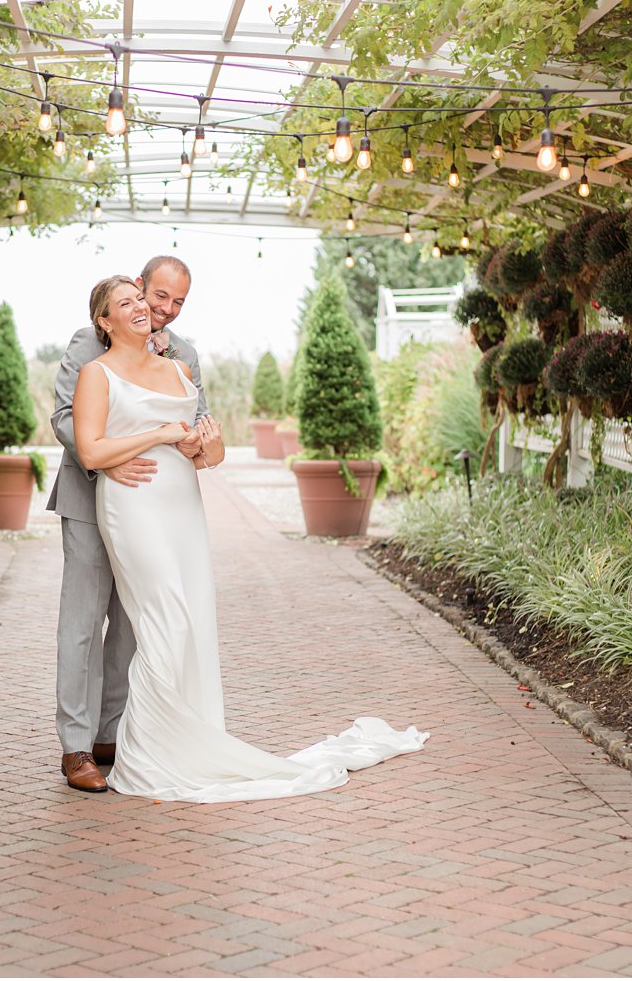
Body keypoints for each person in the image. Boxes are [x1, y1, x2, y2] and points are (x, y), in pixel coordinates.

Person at [71, 274, 427, 803]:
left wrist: (206, 445)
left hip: (182, 508)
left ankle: (189, 742)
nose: (141, 307)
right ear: (105, 321)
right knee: (164, 622)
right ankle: (148, 752)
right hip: (132, 508)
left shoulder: (179, 369)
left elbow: (204, 457)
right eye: (125, 303)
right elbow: (93, 452)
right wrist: (159, 434)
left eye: (139, 299)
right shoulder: (96, 375)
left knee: (193, 622)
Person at [47, 256, 208, 793]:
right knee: (83, 623)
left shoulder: (183, 355)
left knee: (135, 622)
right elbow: (65, 419)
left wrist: (198, 442)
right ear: (139, 288)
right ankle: (75, 746)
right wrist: (105, 459)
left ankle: (108, 733)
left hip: (154, 509)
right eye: (157, 295)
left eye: (177, 302)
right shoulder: (87, 343)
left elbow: (193, 423)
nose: (164, 309)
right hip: (90, 498)